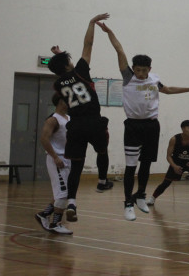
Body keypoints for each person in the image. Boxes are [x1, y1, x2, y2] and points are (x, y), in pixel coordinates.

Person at [97, 22, 189, 221]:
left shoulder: (154, 80)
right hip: (133, 126)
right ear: (133, 69)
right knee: (131, 166)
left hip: (151, 126)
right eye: (137, 70)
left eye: (144, 70)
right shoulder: (128, 77)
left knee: (146, 164)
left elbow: (168, 90)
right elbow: (119, 50)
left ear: (150, 69)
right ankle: (127, 203)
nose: (140, 73)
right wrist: (109, 32)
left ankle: (140, 195)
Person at [48, 13, 113, 222]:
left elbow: (64, 72)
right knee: (102, 151)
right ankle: (102, 181)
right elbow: (88, 44)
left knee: (76, 167)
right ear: (69, 64)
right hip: (93, 121)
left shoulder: (58, 84)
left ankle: (72, 203)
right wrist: (91, 23)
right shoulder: (80, 71)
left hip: (75, 125)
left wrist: (60, 56)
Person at [145, 120, 189, 206]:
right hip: (177, 163)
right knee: (166, 183)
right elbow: (168, 156)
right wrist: (174, 166)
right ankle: (152, 198)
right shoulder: (174, 139)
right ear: (183, 128)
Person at [34, 92, 73, 235]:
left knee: (63, 192)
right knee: (63, 193)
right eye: (68, 99)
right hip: (57, 159)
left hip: (68, 158)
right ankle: (55, 223)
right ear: (61, 101)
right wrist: (55, 157)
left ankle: (44, 214)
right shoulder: (53, 120)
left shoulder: (69, 118)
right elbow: (44, 139)